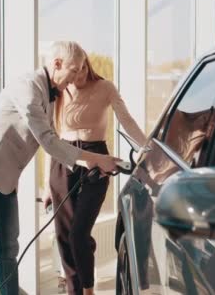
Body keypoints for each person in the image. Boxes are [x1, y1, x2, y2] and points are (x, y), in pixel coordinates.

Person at [0, 41, 122, 295]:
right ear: (57, 64)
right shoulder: (28, 88)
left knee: (8, 248)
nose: (75, 78)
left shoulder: (51, 95)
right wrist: (96, 159)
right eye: (73, 71)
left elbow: (52, 139)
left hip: (7, 179)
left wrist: (91, 160)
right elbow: (48, 141)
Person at [43, 54, 146, 295]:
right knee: (63, 234)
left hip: (96, 157)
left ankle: (88, 289)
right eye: (72, 72)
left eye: (79, 71)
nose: (75, 78)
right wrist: (48, 186)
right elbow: (51, 136)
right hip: (63, 159)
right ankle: (73, 290)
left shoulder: (105, 87)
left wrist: (147, 148)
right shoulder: (61, 90)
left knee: (79, 233)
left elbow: (127, 121)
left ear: (86, 66)